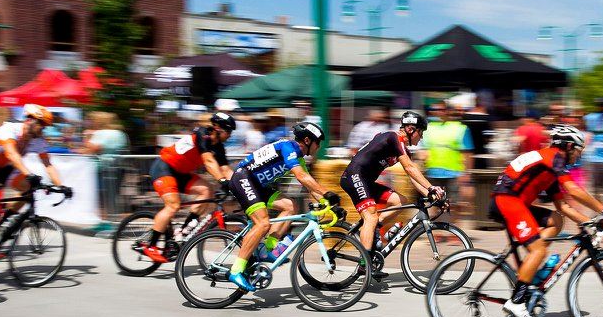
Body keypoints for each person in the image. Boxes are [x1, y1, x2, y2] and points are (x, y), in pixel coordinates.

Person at [490, 125, 603, 317]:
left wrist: (588, 222)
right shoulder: (554, 157)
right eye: (579, 150)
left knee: (556, 220)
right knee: (538, 250)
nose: (579, 155)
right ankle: (517, 301)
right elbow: (573, 190)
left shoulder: (549, 166)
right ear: (568, 146)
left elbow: (563, 206)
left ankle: (531, 267)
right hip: (507, 200)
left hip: (514, 201)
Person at [225, 122, 340, 291]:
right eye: (318, 142)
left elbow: (310, 186)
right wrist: (327, 192)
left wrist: (329, 204)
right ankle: (236, 270)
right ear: (307, 140)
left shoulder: (298, 157)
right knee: (262, 223)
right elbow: (301, 176)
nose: (319, 147)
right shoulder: (288, 147)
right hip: (243, 178)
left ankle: (267, 248)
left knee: (290, 206)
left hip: (258, 185)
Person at [340, 111, 443, 278]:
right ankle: (364, 264)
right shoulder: (393, 138)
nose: (422, 137)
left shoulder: (402, 149)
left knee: (400, 201)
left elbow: (413, 178)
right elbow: (410, 168)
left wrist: (433, 196)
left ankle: (375, 228)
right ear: (410, 129)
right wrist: (432, 187)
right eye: (421, 132)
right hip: (354, 177)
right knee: (370, 217)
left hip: (365, 180)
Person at [142, 111, 235, 263]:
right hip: (164, 168)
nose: (230, 135)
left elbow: (226, 170)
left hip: (180, 174)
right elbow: (208, 162)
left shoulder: (219, 148)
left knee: (207, 190)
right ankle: (150, 245)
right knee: (173, 205)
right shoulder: (202, 134)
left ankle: (182, 232)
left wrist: (237, 184)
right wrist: (223, 181)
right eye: (229, 131)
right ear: (218, 128)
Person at [0, 104, 70, 229]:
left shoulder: (38, 140)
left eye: (45, 126)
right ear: (29, 120)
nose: (43, 128)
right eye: (41, 124)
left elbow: (48, 165)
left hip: (6, 167)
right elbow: (11, 154)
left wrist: (61, 186)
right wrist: (29, 174)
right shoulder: (10, 129)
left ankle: (3, 220)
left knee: (28, 190)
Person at [422, 104, 473, 211]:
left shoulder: (460, 128)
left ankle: (454, 223)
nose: (439, 112)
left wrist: (466, 174)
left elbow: (467, 154)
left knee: (454, 206)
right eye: (435, 109)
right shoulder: (428, 128)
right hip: (433, 173)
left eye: (442, 109)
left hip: (453, 174)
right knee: (433, 205)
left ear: (448, 111)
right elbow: (424, 151)